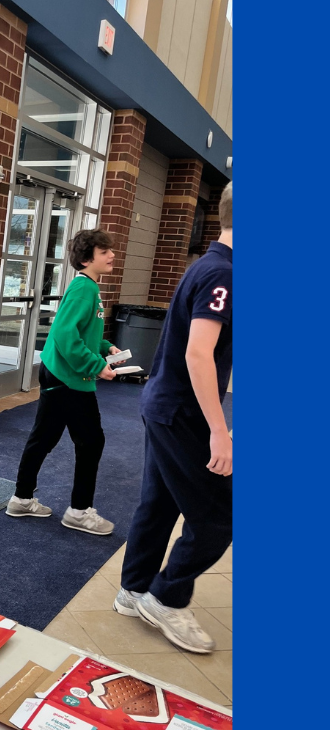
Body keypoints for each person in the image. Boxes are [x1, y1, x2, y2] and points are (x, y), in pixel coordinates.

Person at [116, 181, 232, 653]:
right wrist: (219, 432)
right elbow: (198, 355)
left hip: (165, 404)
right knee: (223, 514)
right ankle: (165, 598)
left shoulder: (210, 266)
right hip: (181, 411)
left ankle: (134, 589)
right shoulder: (224, 275)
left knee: (160, 501)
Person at [6, 228, 119, 534]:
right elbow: (66, 336)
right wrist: (98, 366)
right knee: (91, 441)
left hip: (62, 374)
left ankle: (21, 498)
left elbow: (81, 332)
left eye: (110, 250)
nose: (111, 255)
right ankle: (79, 511)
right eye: (104, 251)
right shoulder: (84, 288)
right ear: (86, 258)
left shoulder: (87, 287)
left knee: (44, 437)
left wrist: (105, 347)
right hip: (68, 378)